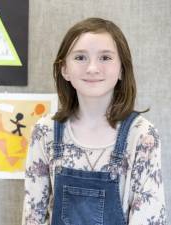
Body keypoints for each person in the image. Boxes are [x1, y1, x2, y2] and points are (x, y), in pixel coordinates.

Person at [22, 18, 166, 225]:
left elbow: (150, 218)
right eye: (80, 57)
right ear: (64, 69)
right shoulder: (45, 132)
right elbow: (32, 216)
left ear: (122, 70)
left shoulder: (142, 136)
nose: (92, 68)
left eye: (105, 57)